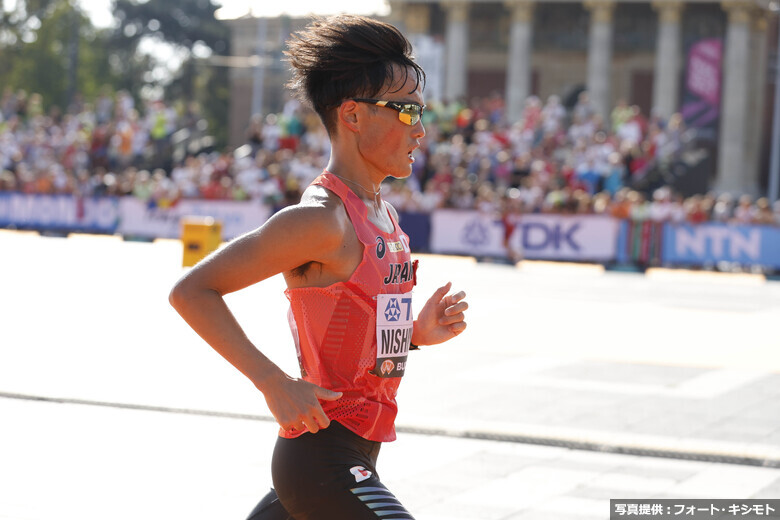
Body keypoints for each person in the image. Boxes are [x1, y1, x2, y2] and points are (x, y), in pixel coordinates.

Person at [168, 15, 468, 520]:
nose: (420, 129)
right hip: (321, 459)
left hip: (349, 455)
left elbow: (346, 327)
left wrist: (412, 334)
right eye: (406, 111)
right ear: (352, 115)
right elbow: (192, 290)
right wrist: (273, 382)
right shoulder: (320, 221)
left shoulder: (383, 214)